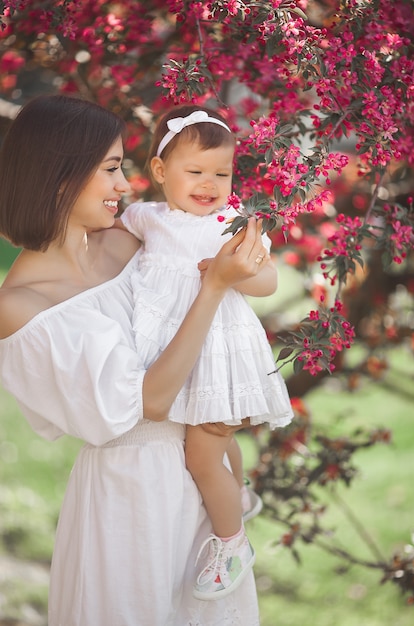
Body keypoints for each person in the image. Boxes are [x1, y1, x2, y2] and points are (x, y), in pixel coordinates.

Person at [0, 94, 267, 625]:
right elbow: (152, 400)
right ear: (60, 175)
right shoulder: (22, 308)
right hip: (129, 496)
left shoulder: (128, 244)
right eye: (111, 169)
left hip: (202, 478)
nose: (125, 186)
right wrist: (214, 285)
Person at [116, 104, 294, 600]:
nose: (209, 183)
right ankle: (238, 495)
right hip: (175, 355)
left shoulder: (231, 226)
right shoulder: (143, 218)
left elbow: (270, 279)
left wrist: (236, 272)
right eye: (195, 171)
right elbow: (105, 244)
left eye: (221, 172)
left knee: (202, 454)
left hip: (219, 355)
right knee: (216, 438)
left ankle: (232, 541)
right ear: (159, 171)